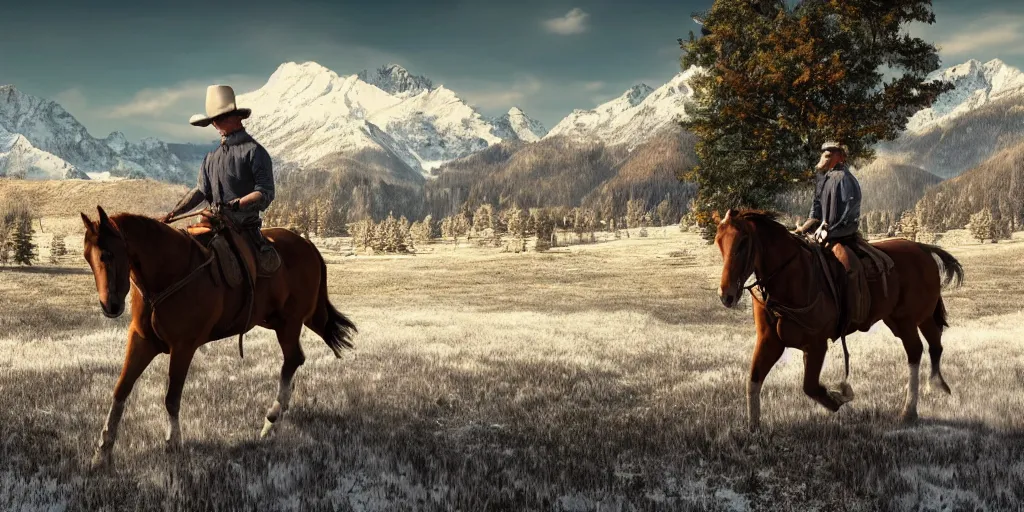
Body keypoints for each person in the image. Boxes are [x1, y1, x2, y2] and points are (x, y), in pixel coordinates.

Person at [160, 85, 280, 273]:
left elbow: (265, 191)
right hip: (215, 222)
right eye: (214, 120)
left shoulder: (255, 152)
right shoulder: (210, 158)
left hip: (244, 227)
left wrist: (237, 204)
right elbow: (201, 191)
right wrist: (174, 213)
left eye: (221, 118)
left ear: (237, 117)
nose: (217, 124)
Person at [795, 141, 864, 330]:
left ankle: (850, 311)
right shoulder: (823, 180)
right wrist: (803, 229)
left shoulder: (846, 179)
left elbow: (851, 210)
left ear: (840, 156)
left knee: (847, 265)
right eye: (823, 153)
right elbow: (815, 210)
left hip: (843, 231)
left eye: (829, 154)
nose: (824, 157)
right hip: (822, 231)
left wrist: (830, 230)